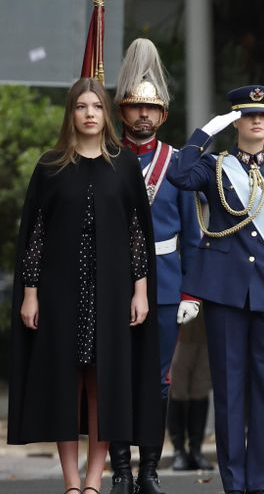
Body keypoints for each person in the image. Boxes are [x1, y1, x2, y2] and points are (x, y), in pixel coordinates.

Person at [8, 77, 162, 494]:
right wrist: (30, 293)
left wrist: (141, 290)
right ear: (71, 114)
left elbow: (136, 234)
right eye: (81, 106)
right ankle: (72, 483)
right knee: (64, 385)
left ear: (106, 114)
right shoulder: (51, 165)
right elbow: (35, 235)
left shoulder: (124, 165)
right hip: (60, 296)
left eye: (96, 106)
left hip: (112, 295)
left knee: (104, 387)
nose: (90, 113)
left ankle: (95, 481)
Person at [167, 85, 264, 494]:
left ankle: (259, 482)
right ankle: (235, 483)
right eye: (248, 115)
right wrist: (204, 133)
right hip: (226, 291)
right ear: (236, 120)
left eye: (263, 115)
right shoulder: (214, 165)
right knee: (229, 391)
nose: (256, 121)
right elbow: (178, 175)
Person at [109, 37, 203, 494]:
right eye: (134, 108)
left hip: (166, 285)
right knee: (116, 378)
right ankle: (121, 471)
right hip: (113, 284)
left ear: (163, 115)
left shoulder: (179, 164)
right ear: (122, 112)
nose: (143, 116)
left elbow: (193, 235)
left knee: (158, 382)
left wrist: (190, 292)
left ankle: (149, 469)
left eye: (151, 109)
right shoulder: (106, 159)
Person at [168, 310, 213, 472]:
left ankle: (196, 449)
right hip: (181, 331)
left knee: (200, 389)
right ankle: (178, 450)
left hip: (207, 332)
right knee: (178, 389)